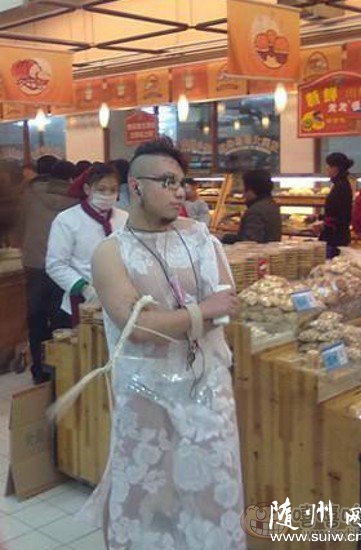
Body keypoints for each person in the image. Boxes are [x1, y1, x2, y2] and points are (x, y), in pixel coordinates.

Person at [86, 138, 245, 549]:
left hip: (207, 390)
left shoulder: (200, 238)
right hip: (146, 394)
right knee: (148, 496)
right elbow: (138, 327)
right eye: (168, 182)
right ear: (136, 186)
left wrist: (182, 317)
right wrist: (199, 312)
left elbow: (226, 305)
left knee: (212, 498)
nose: (180, 192)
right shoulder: (110, 253)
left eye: (183, 183)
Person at [46, 163, 128, 326]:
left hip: (120, 302)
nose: (107, 195)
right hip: (82, 302)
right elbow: (55, 265)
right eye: (101, 189)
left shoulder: (124, 218)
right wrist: (84, 288)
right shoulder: (67, 220)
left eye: (113, 190)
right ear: (87, 189)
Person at [21, 155, 77, 384]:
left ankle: (39, 370)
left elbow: (20, 225)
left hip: (34, 265)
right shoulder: (76, 202)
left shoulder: (29, 195)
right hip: (63, 269)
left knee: (36, 319)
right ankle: (60, 373)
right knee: (61, 320)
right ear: (72, 179)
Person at [222, 169, 281, 244]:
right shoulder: (272, 205)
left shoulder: (255, 211)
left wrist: (225, 238)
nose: (243, 195)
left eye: (244, 190)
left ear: (251, 191)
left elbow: (248, 243)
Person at [318, 152, 354, 258]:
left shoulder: (341, 186)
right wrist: (320, 218)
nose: (327, 168)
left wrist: (324, 223)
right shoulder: (341, 184)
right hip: (337, 234)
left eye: (329, 166)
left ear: (336, 168)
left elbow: (341, 215)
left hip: (335, 236)